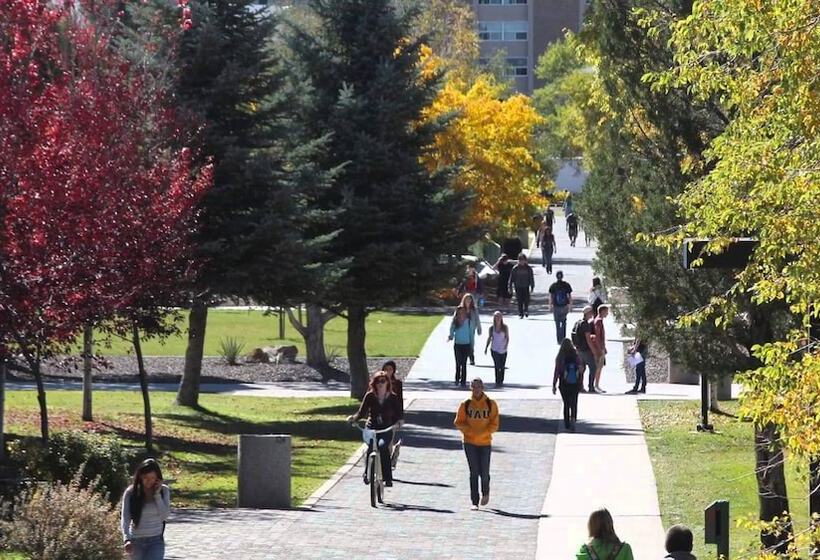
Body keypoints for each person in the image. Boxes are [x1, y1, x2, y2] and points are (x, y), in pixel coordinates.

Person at [347, 372, 403, 486]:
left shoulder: (392, 397)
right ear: (374, 383)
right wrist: (353, 418)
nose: (380, 384)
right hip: (371, 428)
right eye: (378, 381)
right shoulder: (370, 396)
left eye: (383, 381)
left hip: (386, 429)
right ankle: (367, 473)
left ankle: (387, 478)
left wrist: (399, 422)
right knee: (371, 446)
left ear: (387, 382)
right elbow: (361, 412)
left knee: (383, 447)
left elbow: (398, 413)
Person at [454, 378, 499, 510]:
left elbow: (494, 423)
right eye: (474, 387)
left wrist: (485, 432)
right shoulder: (466, 404)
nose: (476, 390)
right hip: (469, 443)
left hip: (485, 443)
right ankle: (475, 501)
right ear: (471, 388)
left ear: (483, 388)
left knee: (484, 472)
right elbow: (458, 421)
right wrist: (469, 432)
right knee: (474, 472)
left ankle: (486, 492)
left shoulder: (491, 404)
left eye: (479, 387)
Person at [121, 458, 171, 560]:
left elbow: (165, 516)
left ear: (157, 478)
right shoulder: (131, 493)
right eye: (145, 478)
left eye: (152, 478)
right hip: (136, 541)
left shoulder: (164, 491)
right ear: (140, 476)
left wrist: (157, 495)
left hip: (156, 541)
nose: (149, 481)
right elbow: (125, 518)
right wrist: (127, 539)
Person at [552, 338, 583, 431]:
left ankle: (567, 424)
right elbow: (581, 370)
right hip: (575, 383)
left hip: (564, 383)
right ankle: (573, 419)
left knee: (566, 403)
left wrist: (554, 384)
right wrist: (581, 383)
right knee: (574, 402)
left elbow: (557, 371)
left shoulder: (560, 357)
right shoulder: (576, 356)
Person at [571, 306, 596, 393]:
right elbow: (588, 339)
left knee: (581, 369)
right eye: (591, 312)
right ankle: (591, 387)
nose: (592, 314)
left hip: (579, 350)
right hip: (586, 351)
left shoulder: (577, 323)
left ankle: (579, 387)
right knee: (593, 368)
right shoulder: (586, 325)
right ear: (588, 313)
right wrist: (594, 351)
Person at [448, 305, 474, 386]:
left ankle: (463, 380)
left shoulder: (469, 322)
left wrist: (472, 346)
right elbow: (451, 330)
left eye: (463, 312)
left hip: (466, 345)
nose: (461, 313)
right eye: (460, 312)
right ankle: (457, 378)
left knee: (464, 363)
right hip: (458, 345)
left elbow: (471, 334)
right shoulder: (455, 321)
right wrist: (451, 336)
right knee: (458, 363)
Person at [484, 311, 509, 386]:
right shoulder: (491, 328)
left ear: (501, 318)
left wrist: (506, 345)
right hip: (494, 349)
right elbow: (489, 338)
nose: (497, 318)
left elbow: (507, 338)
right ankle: (497, 380)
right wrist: (486, 347)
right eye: (496, 317)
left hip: (503, 350)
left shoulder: (505, 327)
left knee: (502, 366)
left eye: (499, 316)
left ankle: (501, 380)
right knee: (497, 365)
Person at [456, 293, 482, 366]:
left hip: (471, 329)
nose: (468, 301)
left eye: (470, 299)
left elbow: (477, 319)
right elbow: (455, 319)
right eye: (467, 299)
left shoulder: (474, 309)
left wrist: (479, 328)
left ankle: (471, 357)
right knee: (465, 344)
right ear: (464, 300)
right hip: (462, 330)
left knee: (471, 343)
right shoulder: (460, 308)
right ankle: (464, 357)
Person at [548, 271, 573, 344]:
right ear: (562, 276)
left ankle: (559, 339)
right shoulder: (566, 285)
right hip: (564, 306)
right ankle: (563, 338)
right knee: (564, 322)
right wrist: (570, 306)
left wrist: (550, 305)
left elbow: (551, 297)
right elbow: (569, 296)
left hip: (556, 307)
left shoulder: (553, 286)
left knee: (557, 323)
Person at [508, 253, 535, 319]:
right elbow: (511, 278)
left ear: (525, 260)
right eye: (520, 260)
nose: (521, 262)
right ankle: (520, 313)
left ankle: (526, 310)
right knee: (519, 300)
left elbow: (531, 277)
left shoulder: (528, 268)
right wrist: (510, 287)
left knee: (526, 299)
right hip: (518, 286)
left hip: (526, 286)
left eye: (523, 260)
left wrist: (532, 286)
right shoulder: (515, 268)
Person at [591, 304, 609, 393]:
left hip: (601, 347)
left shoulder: (598, 320)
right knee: (598, 367)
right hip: (599, 348)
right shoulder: (598, 321)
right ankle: (596, 385)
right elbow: (598, 336)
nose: (607, 313)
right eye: (606, 311)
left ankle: (596, 385)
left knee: (599, 367)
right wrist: (600, 349)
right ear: (602, 311)